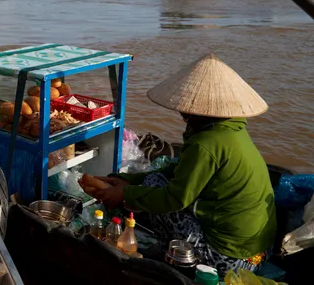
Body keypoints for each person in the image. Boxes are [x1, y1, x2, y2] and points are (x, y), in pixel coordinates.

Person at [85, 54, 276, 276]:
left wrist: (125, 194)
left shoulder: (206, 144)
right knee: (152, 180)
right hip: (258, 251)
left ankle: (175, 262)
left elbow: (174, 199)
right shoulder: (232, 131)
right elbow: (176, 171)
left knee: (158, 198)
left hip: (230, 259)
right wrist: (128, 180)